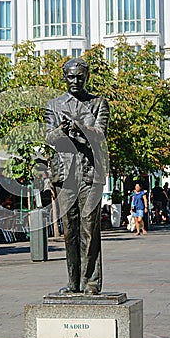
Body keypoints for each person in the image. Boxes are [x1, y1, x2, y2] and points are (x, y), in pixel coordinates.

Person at [45, 57, 109, 295]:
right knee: (70, 231)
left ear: (86, 77)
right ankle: (74, 283)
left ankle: (91, 282)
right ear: (64, 77)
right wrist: (63, 129)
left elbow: (100, 135)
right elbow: (49, 137)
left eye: (79, 77)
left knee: (90, 230)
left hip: (90, 175)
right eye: (70, 76)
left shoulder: (98, 104)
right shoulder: (53, 106)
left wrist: (80, 126)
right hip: (65, 176)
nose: (75, 81)